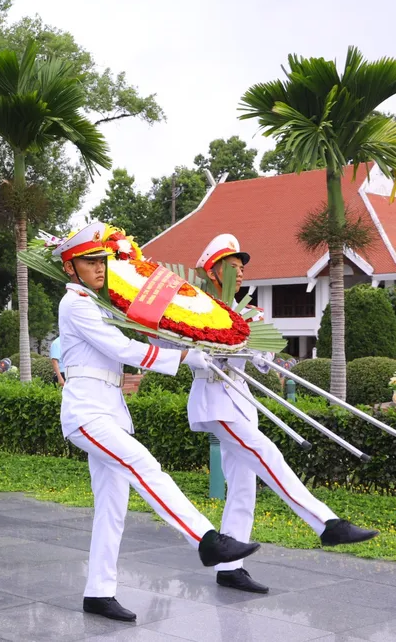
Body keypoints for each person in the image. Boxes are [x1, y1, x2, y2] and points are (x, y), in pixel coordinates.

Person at [52, 221, 261, 622]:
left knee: (113, 505)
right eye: (89, 261)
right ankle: (206, 539)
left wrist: (184, 335)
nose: (99, 267)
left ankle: (98, 591)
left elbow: (134, 341)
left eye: (102, 260)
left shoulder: (100, 304)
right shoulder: (75, 303)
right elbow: (120, 346)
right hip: (86, 412)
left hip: (108, 408)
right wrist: (182, 358)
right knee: (145, 466)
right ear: (69, 268)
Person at [185, 234, 377, 594]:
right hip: (215, 400)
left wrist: (260, 354)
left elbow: (264, 355)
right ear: (212, 270)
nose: (240, 273)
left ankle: (230, 567)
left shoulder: (247, 310)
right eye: (232, 267)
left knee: (243, 486)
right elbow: (168, 342)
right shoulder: (192, 306)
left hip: (242, 402)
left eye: (242, 268)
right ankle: (327, 523)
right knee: (267, 454)